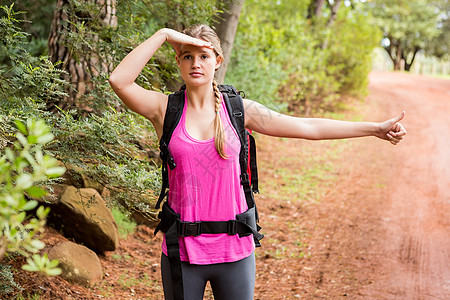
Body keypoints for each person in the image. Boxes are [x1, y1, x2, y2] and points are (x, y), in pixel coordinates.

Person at [108, 24, 406, 300]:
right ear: (179, 61)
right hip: (182, 252)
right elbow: (119, 80)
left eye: (203, 55)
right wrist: (164, 35)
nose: (195, 64)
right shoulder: (165, 109)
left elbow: (307, 128)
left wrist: (374, 129)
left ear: (218, 60)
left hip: (235, 250)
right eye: (187, 56)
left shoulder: (239, 110)